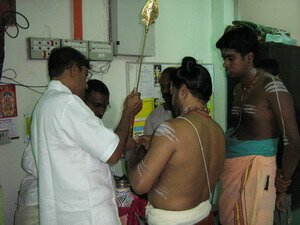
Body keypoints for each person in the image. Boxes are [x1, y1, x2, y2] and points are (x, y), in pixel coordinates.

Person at [30, 46, 142, 225]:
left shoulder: (43, 105)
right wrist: (128, 112)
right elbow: (113, 154)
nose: (86, 83)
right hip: (87, 213)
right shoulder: (67, 103)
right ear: (74, 70)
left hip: (62, 213)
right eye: (85, 75)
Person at [125, 56, 226, 225]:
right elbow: (186, 167)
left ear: (183, 91)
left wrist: (129, 151)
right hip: (204, 217)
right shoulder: (218, 131)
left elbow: (139, 184)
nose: (171, 99)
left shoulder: (171, 129)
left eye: (172, 92)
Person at [216, 27, 300, 225]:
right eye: (224, 58)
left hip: (258, 170)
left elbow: (293, 142)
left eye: (230, 58)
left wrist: (283, 183)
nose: (225, 64)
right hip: (232, 168)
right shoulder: (238, 88)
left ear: (249, 57)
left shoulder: (272, 87)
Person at [14, 78, 120, 225]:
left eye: (104, 106)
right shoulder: (63, 112)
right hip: (35, 205)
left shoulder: (87, 124)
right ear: (81, 99)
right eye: (96, 105)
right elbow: (28, 159)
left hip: (63, 207)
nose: (100, 111)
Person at [256, 58, 293, 225]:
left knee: (279, 216)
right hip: (268, 176)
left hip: (282, 178)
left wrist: (283, 186)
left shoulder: (283, 103)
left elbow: (291, 147)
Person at [144, 67, 176, 135]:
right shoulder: (154, 116)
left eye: (168, 85)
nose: (165, 90)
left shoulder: (188, 114)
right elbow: (147, 143)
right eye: (162, 86)